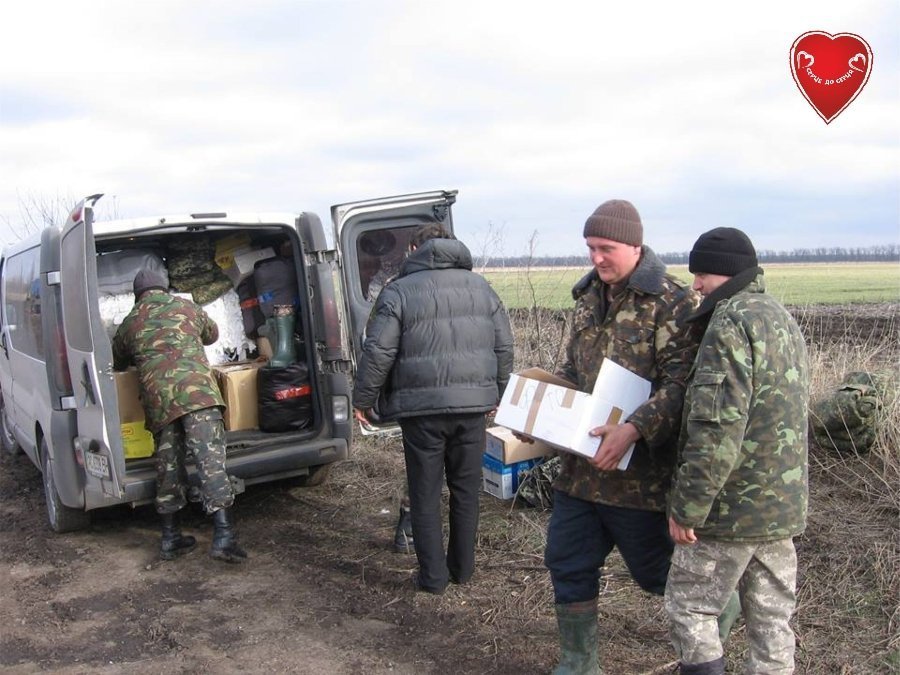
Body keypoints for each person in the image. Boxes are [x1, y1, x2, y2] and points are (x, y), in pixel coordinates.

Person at [537, 199, 704, 674]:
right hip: (580, 470)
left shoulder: (672, 302)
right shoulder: (588, 296)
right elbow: (574, 370)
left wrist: (633, 429)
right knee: (567, 562)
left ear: (634, 246)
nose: (596, 258)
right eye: (590, 247)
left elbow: (682, 385)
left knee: (657, 574)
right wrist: (541, 407)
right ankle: (578, 664)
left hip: (640, 480)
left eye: (605, 248)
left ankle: (713, 635)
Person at [665, 228, 809, 674]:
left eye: (702, 274)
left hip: (730, 511)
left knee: (691, 608)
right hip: (780, 509)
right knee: (772, 622)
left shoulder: (729, 322)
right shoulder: (779, 316)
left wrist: (688, 508)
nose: (696, 285)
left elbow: (716, 427)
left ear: (726, 273)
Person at [352, 224, 514, 594]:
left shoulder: (399, 291)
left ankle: (433, 578)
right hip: (472, 407)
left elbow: (379, 351)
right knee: (466, 490)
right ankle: (463, 570)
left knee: (424, 493)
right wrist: (499, 393)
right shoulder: (482, 288)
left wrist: (364, 399)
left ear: (414, 249)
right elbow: (504, 346)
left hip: (421, 411)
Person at [113, 269, 248, 564]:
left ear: (138, 296)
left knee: (169, 468)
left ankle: (171, 538)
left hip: (161, 404)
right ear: (165, 288)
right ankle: (224, 537)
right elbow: (212, 335)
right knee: (210, 465)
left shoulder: (130, 322)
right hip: (199, 397)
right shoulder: (187, 307)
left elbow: (118, 362)